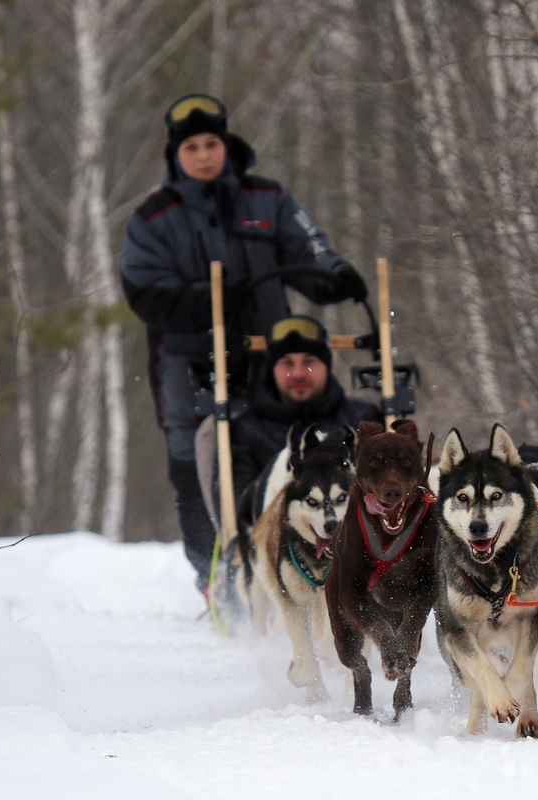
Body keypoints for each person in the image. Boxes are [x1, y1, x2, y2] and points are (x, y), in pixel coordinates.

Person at [119, 94, 368, 587]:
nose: (204, 155)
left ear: (227, 145)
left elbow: (309, 249)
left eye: (212, 143)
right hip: (189, 366)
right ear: (176, 154)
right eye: (192, 147)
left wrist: (335, 275)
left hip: (270, 360)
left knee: (285, 456)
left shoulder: (267, 199)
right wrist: (205, 299)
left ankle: (305, 568)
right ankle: (215, 576)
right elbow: (145, 291)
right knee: (196, 468)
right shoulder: (153, 217)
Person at [227, 314, 381, 498]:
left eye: (309, 362)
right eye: (287, 363)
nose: (298, 373)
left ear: (326, 367)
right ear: (272, 370)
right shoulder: (245, 430)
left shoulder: (362, 419)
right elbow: (242, 507)